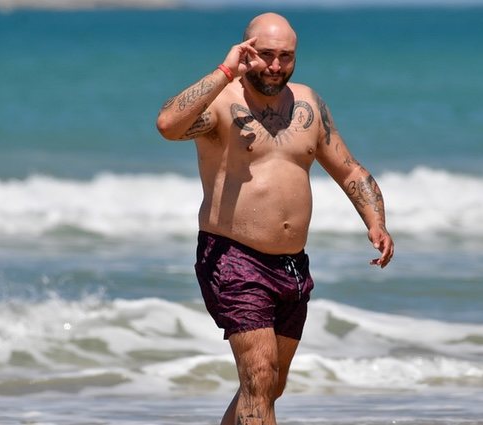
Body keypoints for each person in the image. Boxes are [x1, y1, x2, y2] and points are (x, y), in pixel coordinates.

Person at [156, 12, 394, 425]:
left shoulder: (309, 104)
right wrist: (226, 69)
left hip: (291, 264)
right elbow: (168, 125)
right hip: (233, 257)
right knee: (259, 376)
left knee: (269, 385)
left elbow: (350, 170)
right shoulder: (223, 102)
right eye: (265, 55)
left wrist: (376, 220)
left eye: (285, 56)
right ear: (247, 51)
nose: (275, 65)